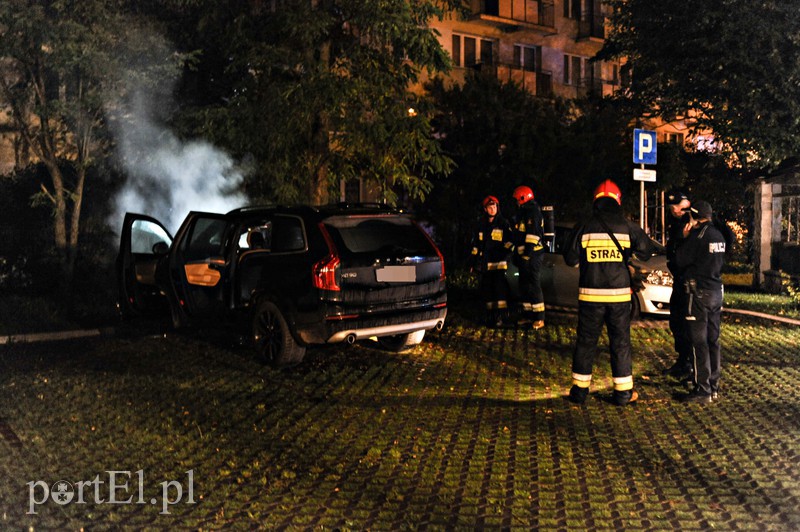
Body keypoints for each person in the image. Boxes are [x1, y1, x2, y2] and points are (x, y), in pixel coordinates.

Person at [563, 179, 655, 406]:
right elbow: (646, 252)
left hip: (590, 297)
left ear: (596, 201)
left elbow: (570, 258)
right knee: (620, 343)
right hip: (619, 298)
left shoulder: (584, 225)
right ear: (617, 201)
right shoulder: (628, 226)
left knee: (585, 342)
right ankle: (623, 393)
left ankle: (579, 392)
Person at [674, 200, 726, 404]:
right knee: (713, 340)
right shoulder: (718, 235)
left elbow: (680, 259)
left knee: (699, 342)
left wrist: (684, 238)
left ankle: (702, 389)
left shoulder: (697, 236)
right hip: (716, 291)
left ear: (694, 217)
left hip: (699, 293)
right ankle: (713, 386)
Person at [663, 187, 694, 380]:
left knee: (687, 324)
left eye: (678, 205)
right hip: (679, 279)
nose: (675, 209)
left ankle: (690, 364)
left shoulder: (692, 220)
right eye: (672, 206)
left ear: (687, 202)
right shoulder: (676, 222)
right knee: (676, 321)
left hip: (689, 281)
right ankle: (682, 361)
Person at [470, 195, 514, 327]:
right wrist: (473, 263)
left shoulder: (503, 223)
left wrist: (503, 256)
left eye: (494, 206)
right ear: (485, 209)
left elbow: (511, 243)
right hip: (486, 265)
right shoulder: (481, 225)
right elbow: (476, 246)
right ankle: (490, 317)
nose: (492, 209)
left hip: (499, 265)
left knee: (500, 292)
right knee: (487, 292)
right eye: (490, 207)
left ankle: (500, 318)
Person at [511, 185, 546, 329]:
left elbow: (532, 236)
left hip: (532, 256)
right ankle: (527, 315)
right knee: (524, 286)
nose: (516, 202)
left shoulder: (532, 212)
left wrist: (526, 254)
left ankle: (539, 318)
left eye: (517, 199)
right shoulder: (523, 213)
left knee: (533, 285)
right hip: (524, 256)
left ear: (523, 198)